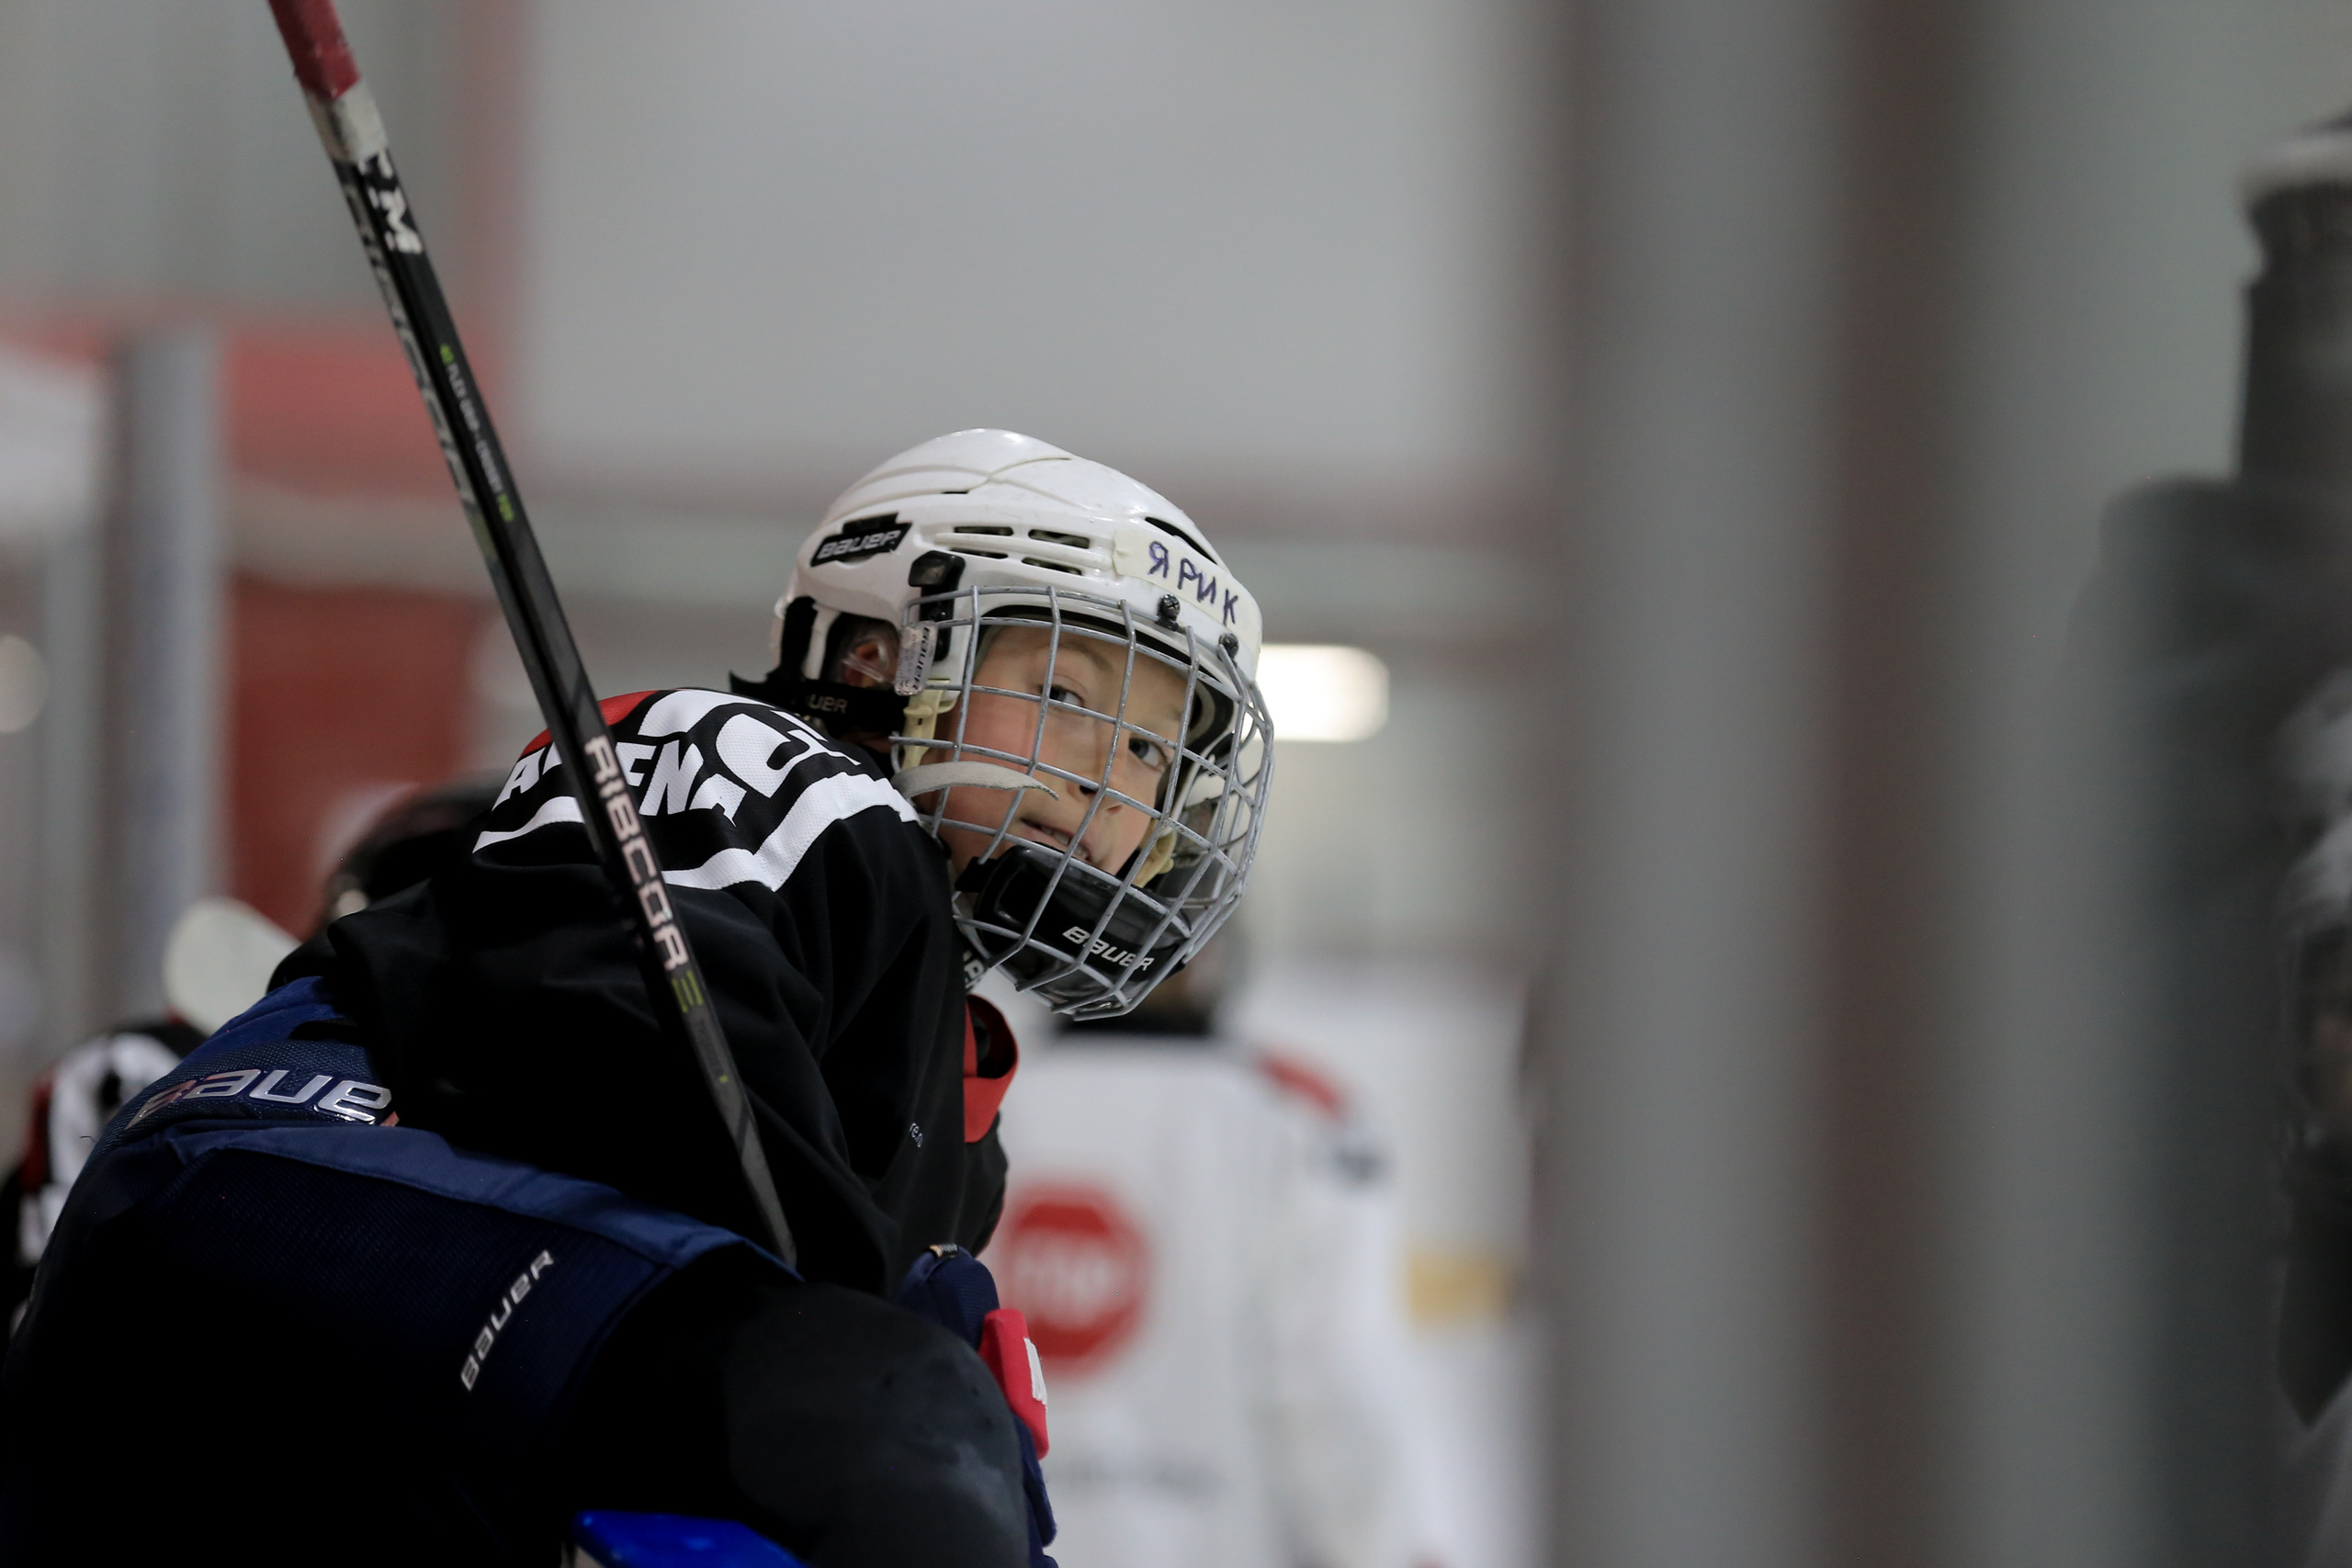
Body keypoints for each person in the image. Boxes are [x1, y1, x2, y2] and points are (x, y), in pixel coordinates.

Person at [0, 429, 1272, 1567]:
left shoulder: (949, 1090)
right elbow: (592, 1025)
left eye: (1156, 748)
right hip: (288, 1184)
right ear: (878, 654)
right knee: (887, 1408)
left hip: (402, 1390)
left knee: (927, 1429)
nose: (1117, 779)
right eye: (1065, 696)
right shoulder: (781, 767)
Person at [984, 937, 1435, 1568]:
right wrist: (1385, 1549)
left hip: (1006, 1540)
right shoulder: (1294, 1115)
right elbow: (1338, 1373)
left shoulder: (984, 1095)